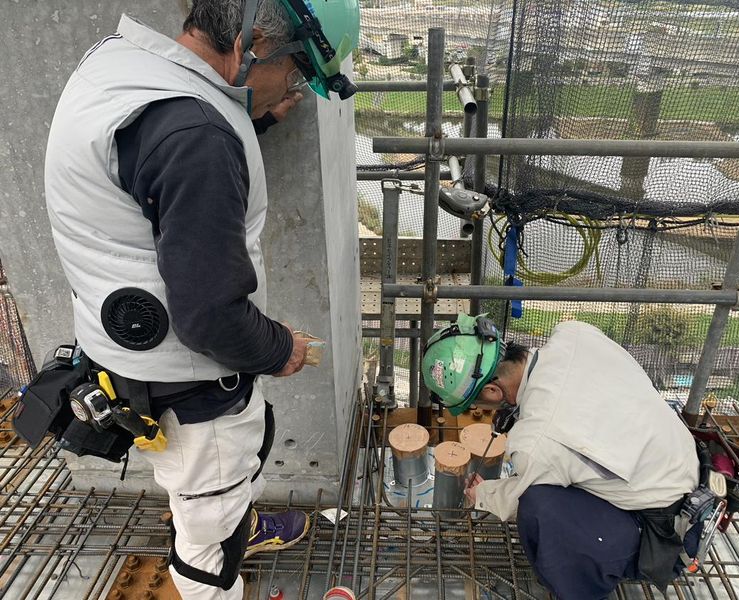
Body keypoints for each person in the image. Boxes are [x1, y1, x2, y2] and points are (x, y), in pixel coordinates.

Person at [44, 1, 359, 598]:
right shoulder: (198, 138)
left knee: (213, 488)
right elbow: (210, 315)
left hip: (124, 353)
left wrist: (250, 123)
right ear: (254, 42)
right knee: (206, 540)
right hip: (187, 378)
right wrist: (280, 349)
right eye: (296, 73)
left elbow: (151, 173)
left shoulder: (123, 69)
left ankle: (236, 518)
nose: (292, 88)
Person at [421, 314, 702, 599]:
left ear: (493, 391)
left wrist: (482, 493)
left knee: (540, 507)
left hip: (666, 533)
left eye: (478, 403)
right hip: (687, 473)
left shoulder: (536, 441)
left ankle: (582, 587)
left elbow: (517, 498)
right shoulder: (575, 334)